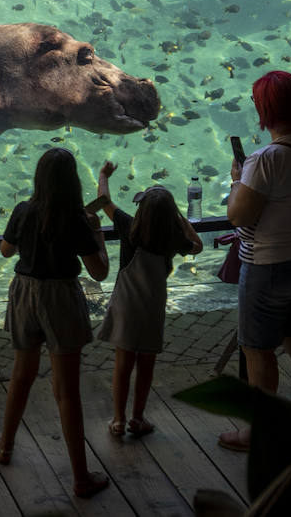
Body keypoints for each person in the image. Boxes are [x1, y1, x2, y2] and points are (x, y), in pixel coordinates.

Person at [218, 70, 291, 453]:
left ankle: (260, 433)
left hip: (271, 266)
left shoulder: (264, 159)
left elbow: (239, 216)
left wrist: (237, 180)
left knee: (257, 350)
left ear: (264, 109)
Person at [0, 147, 111, 499]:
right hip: (60, 297)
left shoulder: (23, 211)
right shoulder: (75, 218)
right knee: (67, 389)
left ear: (38, 179)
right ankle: (80, 477)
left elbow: (5, 250)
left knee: (21, 375)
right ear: (73, 181)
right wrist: (99, 235)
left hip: (25, 294)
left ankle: (6, 447)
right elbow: (100, 271)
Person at [96, 162, 203, 438]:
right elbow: (198, 246)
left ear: (141, 210)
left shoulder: (129, 228)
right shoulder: (172, 239)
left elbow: (105, 202)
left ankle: (118, 420)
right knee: (145, 367)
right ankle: (138, 417)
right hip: (152, 310)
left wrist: (103, 176)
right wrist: (182, 221)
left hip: (125, 307)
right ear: (171, 216)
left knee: (122, 366)